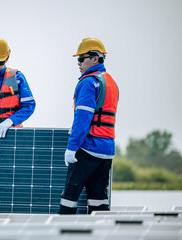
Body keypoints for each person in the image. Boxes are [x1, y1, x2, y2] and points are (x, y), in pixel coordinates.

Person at [58, 38, 119, 214]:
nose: (78, 63)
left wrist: (72, 147)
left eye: (82, 58)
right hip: (107, 151)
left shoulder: (88, 82)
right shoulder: (111, 82)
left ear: (95, 58)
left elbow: (83, 118)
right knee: (98, 199)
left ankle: (60, 233)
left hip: (88, 149)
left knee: (69, 197)